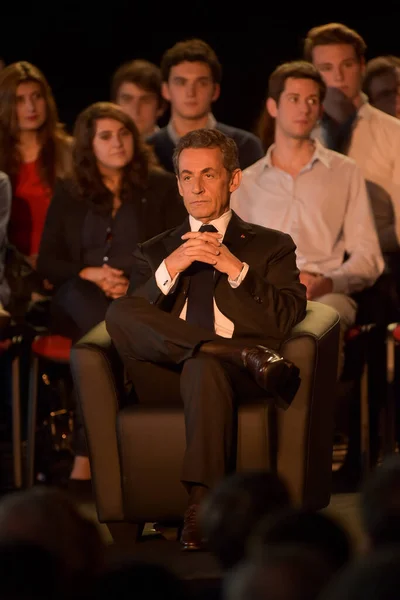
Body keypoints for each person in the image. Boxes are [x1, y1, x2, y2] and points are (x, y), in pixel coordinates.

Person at [105, 128, 307, 551]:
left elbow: (288, 318)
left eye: (209, 175)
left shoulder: (272, 246)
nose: (196, 187)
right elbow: (132, 320)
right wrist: (171, 267)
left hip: (232, 380)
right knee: (119, 309)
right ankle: (235, 352)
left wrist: (235, 268)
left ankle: (202, 504)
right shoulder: (154, 249)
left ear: (233, 180)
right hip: (164, 374)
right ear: (177, 183)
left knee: (202, 365)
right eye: (186, 176)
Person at [37, 101, 186, 484]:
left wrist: (132, 285)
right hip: (79, 294)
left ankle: (90, 455)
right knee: (101, 324)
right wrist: (89, 272)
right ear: (89, 144)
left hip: (140, 294)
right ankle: (108, 450)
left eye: (123, 134)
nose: (118, 143)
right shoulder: (70, 192)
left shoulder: (160, 187)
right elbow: (48, 263)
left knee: (100, 343)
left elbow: (174, 250)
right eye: (106, 136)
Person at [230, 60, 384, 375]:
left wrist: (329, 281)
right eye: (294, 99)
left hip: (325, 293)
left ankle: (316, 423)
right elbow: (235, 255)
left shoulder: (344, 171)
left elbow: (369, 256)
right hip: (266, 295)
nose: (304, 108)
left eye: (312, 100)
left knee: (315, 332)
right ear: (273, 106)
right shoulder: (246, 182)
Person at [303, 23, 400, 259]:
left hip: (379, 269)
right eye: (326, 68)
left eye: (347, 65)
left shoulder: (394, 134)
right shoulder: (300, 133)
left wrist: (357, 250)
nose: (338, 77)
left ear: (362, 66)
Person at [0, 61, 73, 316]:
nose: (31, 107)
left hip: (66, 268)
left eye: (36, 97)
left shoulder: (71, 152)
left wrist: (54, 265)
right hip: (12, 273)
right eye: (20, 100)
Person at [146, 38, 264, 172]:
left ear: (215, 91)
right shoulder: (147, 149)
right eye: (181, 82)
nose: (191, 92)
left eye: (201, 83)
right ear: (165, 90)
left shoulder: (244, 146)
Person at [111, 58, 166, 139]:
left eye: (145, 100)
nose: (136, 109)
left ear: (161, 108)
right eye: (127, 99)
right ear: (114, 106)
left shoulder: (179, 150)